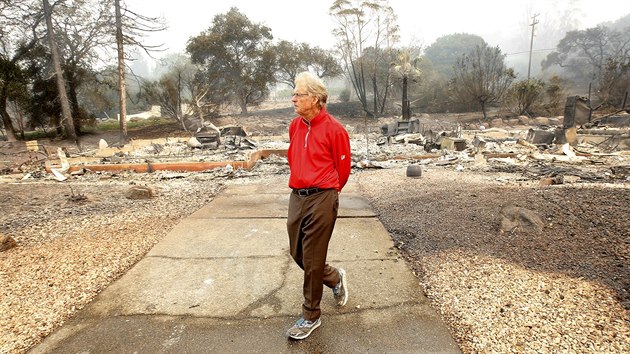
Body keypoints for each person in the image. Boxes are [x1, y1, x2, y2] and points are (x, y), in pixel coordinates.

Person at [285, 71, 352, 340]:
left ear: (315, 98)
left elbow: (343, 168)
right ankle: (334, 277)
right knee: (297, 253)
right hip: (297, 195)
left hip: (323, 196)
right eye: (294, 93)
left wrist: (330, 191)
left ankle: (310, 315)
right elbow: (294, 157)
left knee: (312, 257)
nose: (293, 99)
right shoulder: (295, 126)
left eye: (298, 94)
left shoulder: (335, 129)